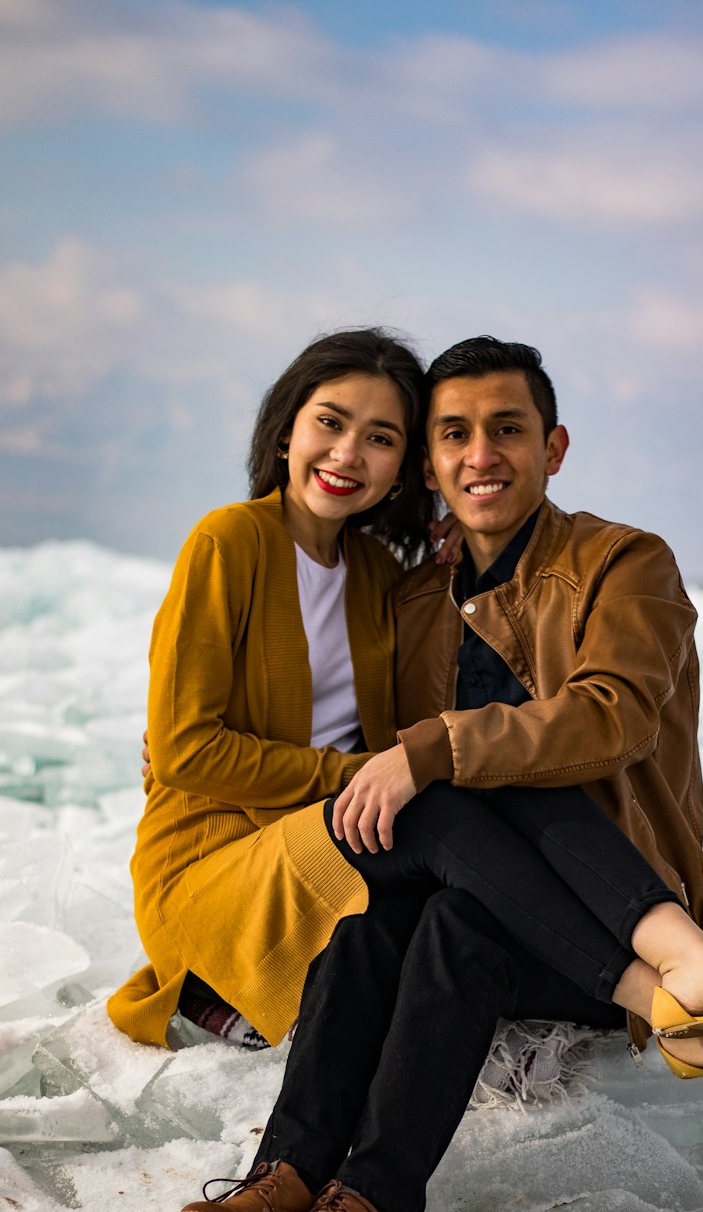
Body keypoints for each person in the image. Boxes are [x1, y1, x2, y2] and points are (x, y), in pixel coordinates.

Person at [168, 336, 703, 1212]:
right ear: (430, 461)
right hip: (487, 886)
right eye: (454, 434)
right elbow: (375, 773)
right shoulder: (414, 600)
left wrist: (436, 748)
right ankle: (286, 1175)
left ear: (555, 447)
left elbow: (607, 720)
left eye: (507, 430)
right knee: (369, 925)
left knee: (463, 912)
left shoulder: (626, 565)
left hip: (604, 900)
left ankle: (376, 1206)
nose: (480, 456)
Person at [106, 327, 438, 1053]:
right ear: (287, 431)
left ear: (404, 470)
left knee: (456, 833)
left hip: (330, 841)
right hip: (207, 867)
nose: (348, 453)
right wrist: (356, 776)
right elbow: (185, 751)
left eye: (380, 438)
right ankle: (642, 982)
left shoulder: (381, 575)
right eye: (330, 422)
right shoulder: (228, 542)